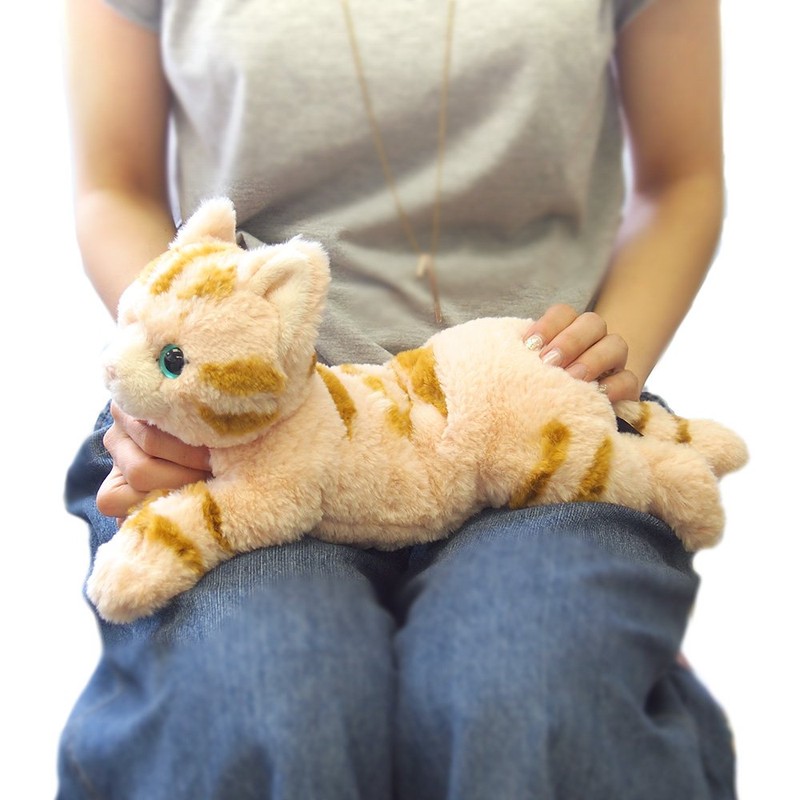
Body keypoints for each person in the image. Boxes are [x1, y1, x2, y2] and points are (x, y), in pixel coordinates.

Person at [58, 0, 736, 797]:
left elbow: (681, 180)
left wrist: (600, 359)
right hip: (243, 436)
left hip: (524, 413)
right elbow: (115, 186)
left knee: (529, 686)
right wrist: (175, 375)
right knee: (274, 693)